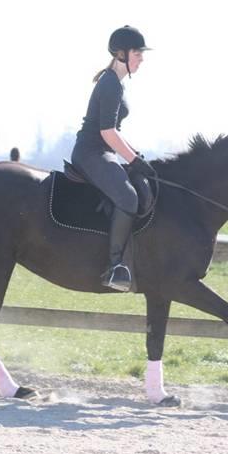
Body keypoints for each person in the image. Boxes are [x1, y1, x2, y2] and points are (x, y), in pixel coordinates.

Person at [71, 25, 156, 292]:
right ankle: (116, 266)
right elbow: (106, 132)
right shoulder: (110, 84)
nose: (141, 58)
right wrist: (132, 160)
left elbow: (114, 132)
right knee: (128, 197)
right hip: (91, 153)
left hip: (103, 151)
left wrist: (137, 156)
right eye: (137, 53)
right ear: (121, 54)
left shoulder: (115, 83)